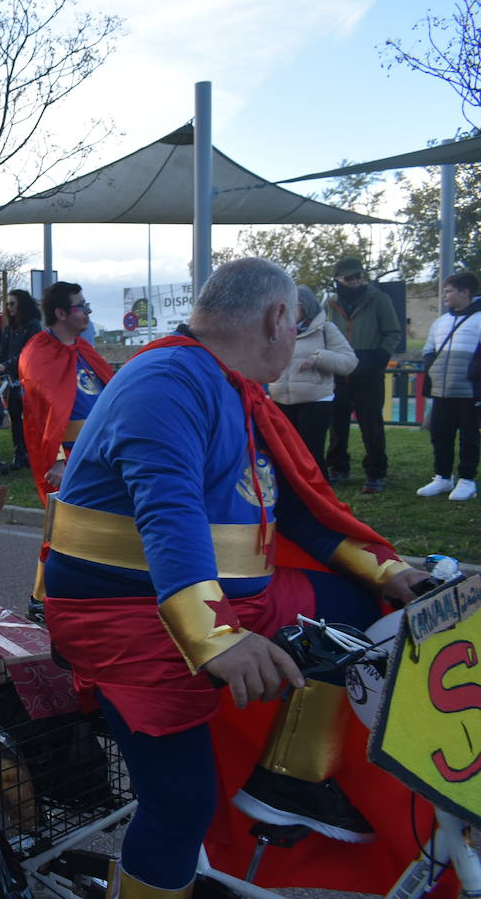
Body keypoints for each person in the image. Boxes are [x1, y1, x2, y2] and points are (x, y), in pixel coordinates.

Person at [40, 258, 430, 897]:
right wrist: (219, 640)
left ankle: (294, 778)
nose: (297, 339)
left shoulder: (232, 386)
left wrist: (389, 573)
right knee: (180, 807)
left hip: (220, 600)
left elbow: (300, 508)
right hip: (126, 618)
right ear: (278, 318)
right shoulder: (166, 381)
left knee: (363, 610)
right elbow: (171, 513)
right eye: (298, 324)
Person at [17, 282, 114, 506]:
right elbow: (40, 412)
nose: (87, 311)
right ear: (60, 313)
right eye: (80, 306)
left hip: (102, 453)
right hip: (72, 456)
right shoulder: (38, 353)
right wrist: (56, 459)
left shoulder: (84, 350)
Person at [324, 258, 401, 492]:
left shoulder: (379, 299)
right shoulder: (329, 303)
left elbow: (392, 332)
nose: (356, 281)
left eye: (359, 276)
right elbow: (323, 332)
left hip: (368, 371)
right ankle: (338, 468)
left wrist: (378, 358)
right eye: (349, 278)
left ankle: (376, 473)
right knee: (337, 425)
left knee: (371, 425)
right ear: (337, 280)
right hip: (339, 372)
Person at [269, 287, 357, 477]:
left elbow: (349, 362)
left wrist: (318, 358)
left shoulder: (326, 329)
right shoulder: (278, 329)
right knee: (285, 456)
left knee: (311, 456)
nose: (286, 311)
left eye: (293, 305)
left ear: (305, 306)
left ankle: (319, 501)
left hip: (315, 403)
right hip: (280, 401)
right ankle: (292, 501)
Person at [417, 270, 481, 501]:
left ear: (465, 292)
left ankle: (467, 480)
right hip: (441, 390)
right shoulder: (441, 322)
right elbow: (428, 350)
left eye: (448, 290)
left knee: (469, 436)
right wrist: (431, 369)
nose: (445, 295)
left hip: (470, 390)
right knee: (440, 434)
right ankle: (443, 477)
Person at [0, 289, 44, 469]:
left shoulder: (33, 326)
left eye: (13, 304)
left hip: (28, 379)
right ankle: (19, 454)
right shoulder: (8, 329)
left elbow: (29, 352)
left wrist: (7, 364)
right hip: (11, 381)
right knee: (15, 417)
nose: (9, 308)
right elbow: (1, 351)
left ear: (22, 305)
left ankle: (33, 453)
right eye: (7, 304)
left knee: (31, 419)